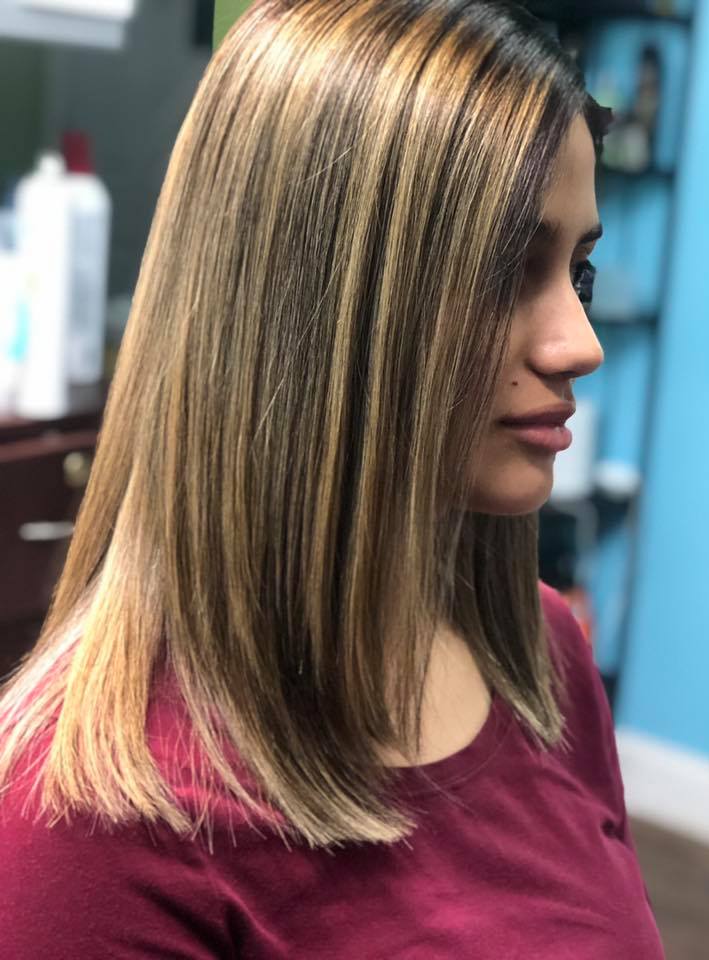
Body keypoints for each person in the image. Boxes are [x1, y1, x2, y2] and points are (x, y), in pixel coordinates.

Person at [0, 1, 665, 957]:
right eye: (502, 270)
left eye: (580, 273)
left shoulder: (545, 656)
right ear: (311, 306)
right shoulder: (88, 833)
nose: (582, 343)